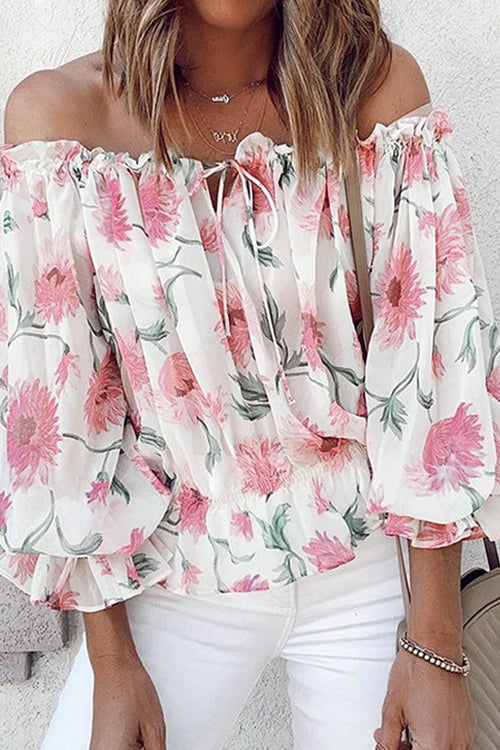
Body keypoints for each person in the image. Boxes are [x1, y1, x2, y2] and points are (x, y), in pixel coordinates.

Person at [0, 1, 498, 748]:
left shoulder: (373, 94)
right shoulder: (63, 122)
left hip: (370, 569)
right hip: (170, 581)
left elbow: (434, 369)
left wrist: (436, 647)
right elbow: (67, 422)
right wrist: (112, 664)